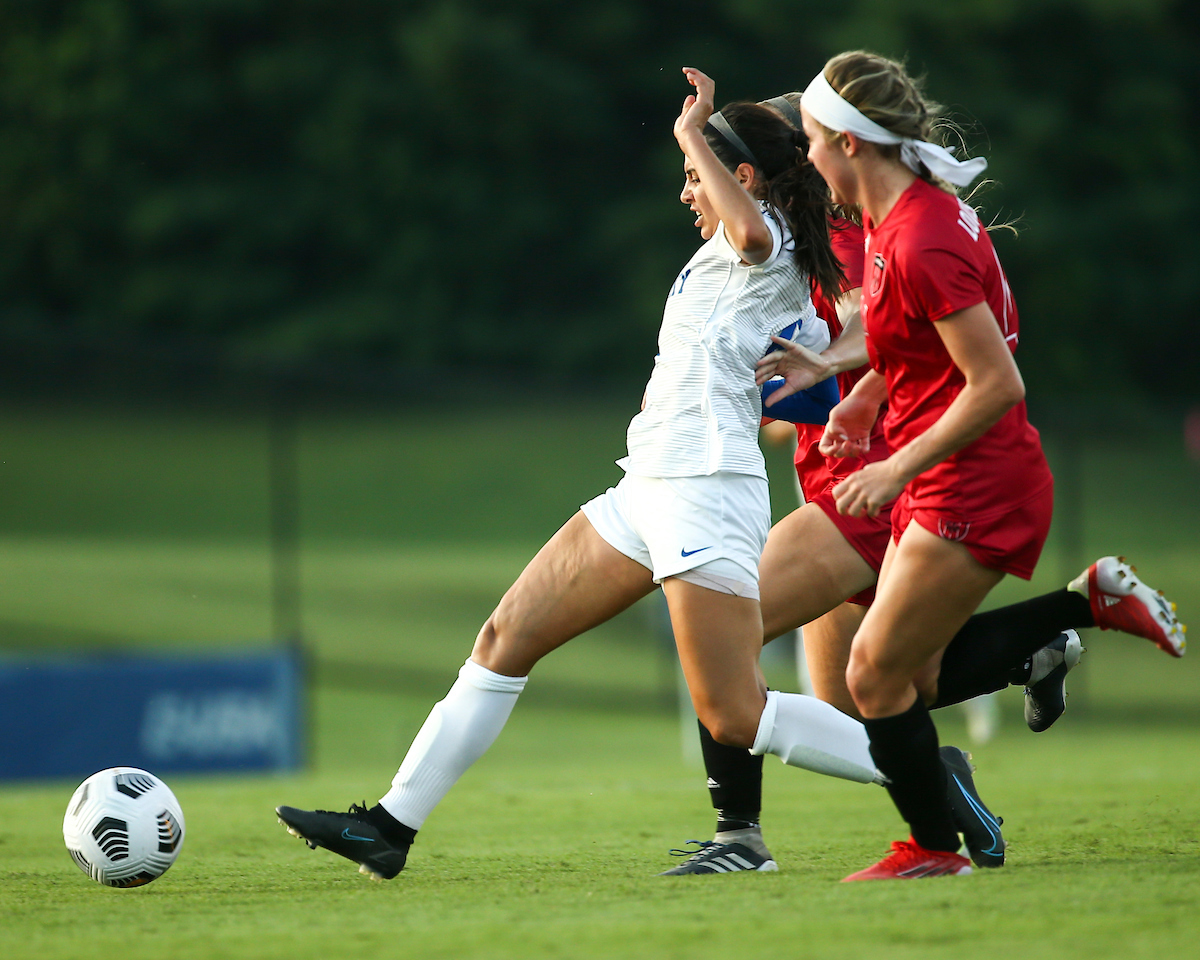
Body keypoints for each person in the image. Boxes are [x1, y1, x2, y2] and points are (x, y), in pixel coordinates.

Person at [275, 67, 924, 881]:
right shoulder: (731, 243)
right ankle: (390, 828)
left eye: (695, 178)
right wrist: (701, 144)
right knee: (505, 637)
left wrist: (693, 130)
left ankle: (930, 776)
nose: (685, 192)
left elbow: (755, 237)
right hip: (647, 485)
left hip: (706, 488)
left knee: (734, 711)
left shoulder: (768, 241)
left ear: (743, 177)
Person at [662, 94, 1186, 877]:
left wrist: (854, 396)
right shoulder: (830, 233)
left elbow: (882, 330)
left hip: (865, 486)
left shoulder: (846, 236)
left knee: (725, 629)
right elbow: (862, 340)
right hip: (858, 478)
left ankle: (739, 836)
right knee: (863, 691)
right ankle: (1033, 654)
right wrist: (805, 397)